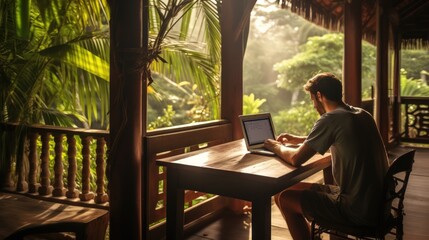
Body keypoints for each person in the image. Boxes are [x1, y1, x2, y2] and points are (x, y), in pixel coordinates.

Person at [264, 72, 389, 240]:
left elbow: (296, 158)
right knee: (282, 192)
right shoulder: (361, 114)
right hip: (378, 205)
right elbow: (340, 138)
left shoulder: (331, 118)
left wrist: (274, 145)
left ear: (319, 96)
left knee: (286, 198)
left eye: (312, 100)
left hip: (356, 209)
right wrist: (301, 139)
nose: (314, 105)